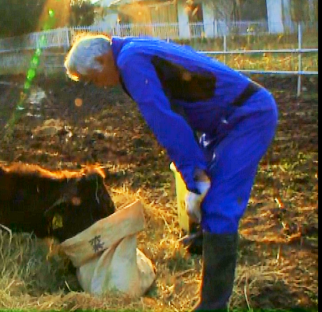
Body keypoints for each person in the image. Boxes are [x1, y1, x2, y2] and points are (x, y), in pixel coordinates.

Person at [63, 33, 278, 311]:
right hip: (221, 122)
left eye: (93, 79)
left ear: (102, 59)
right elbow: (175, 106)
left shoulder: (130, 62)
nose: (99, 86)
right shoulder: (131, 49)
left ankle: (213, 305)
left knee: (219, 203)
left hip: (246, 117)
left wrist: (194, 177)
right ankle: (205, 238)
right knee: (208, 191)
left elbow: (166, 121)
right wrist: (195, 172)